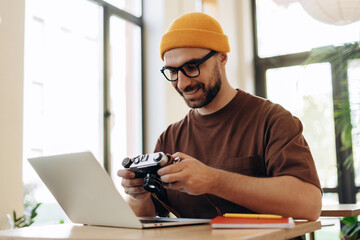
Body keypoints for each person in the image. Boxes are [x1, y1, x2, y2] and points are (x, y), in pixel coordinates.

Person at [118, 12, 322, 221]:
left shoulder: (272, 120)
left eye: (192, 67)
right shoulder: (170, 137)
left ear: (222, 57)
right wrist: (138, 196)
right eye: (172, 71)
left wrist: (214, 180)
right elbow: (148, 215)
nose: (182, 83)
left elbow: (310, 204)